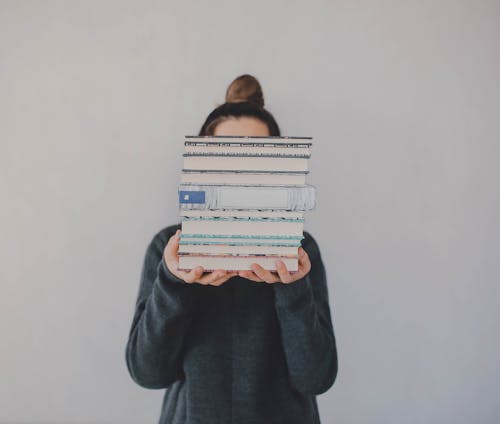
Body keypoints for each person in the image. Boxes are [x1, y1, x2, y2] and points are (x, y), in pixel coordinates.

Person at [125, 74, 338, 424]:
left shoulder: (302, 252)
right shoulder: (170, 249)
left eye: (257, 155)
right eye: (226, 154)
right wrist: (175, 283)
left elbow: (317, 376)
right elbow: (148, 373)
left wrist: (292, 289)